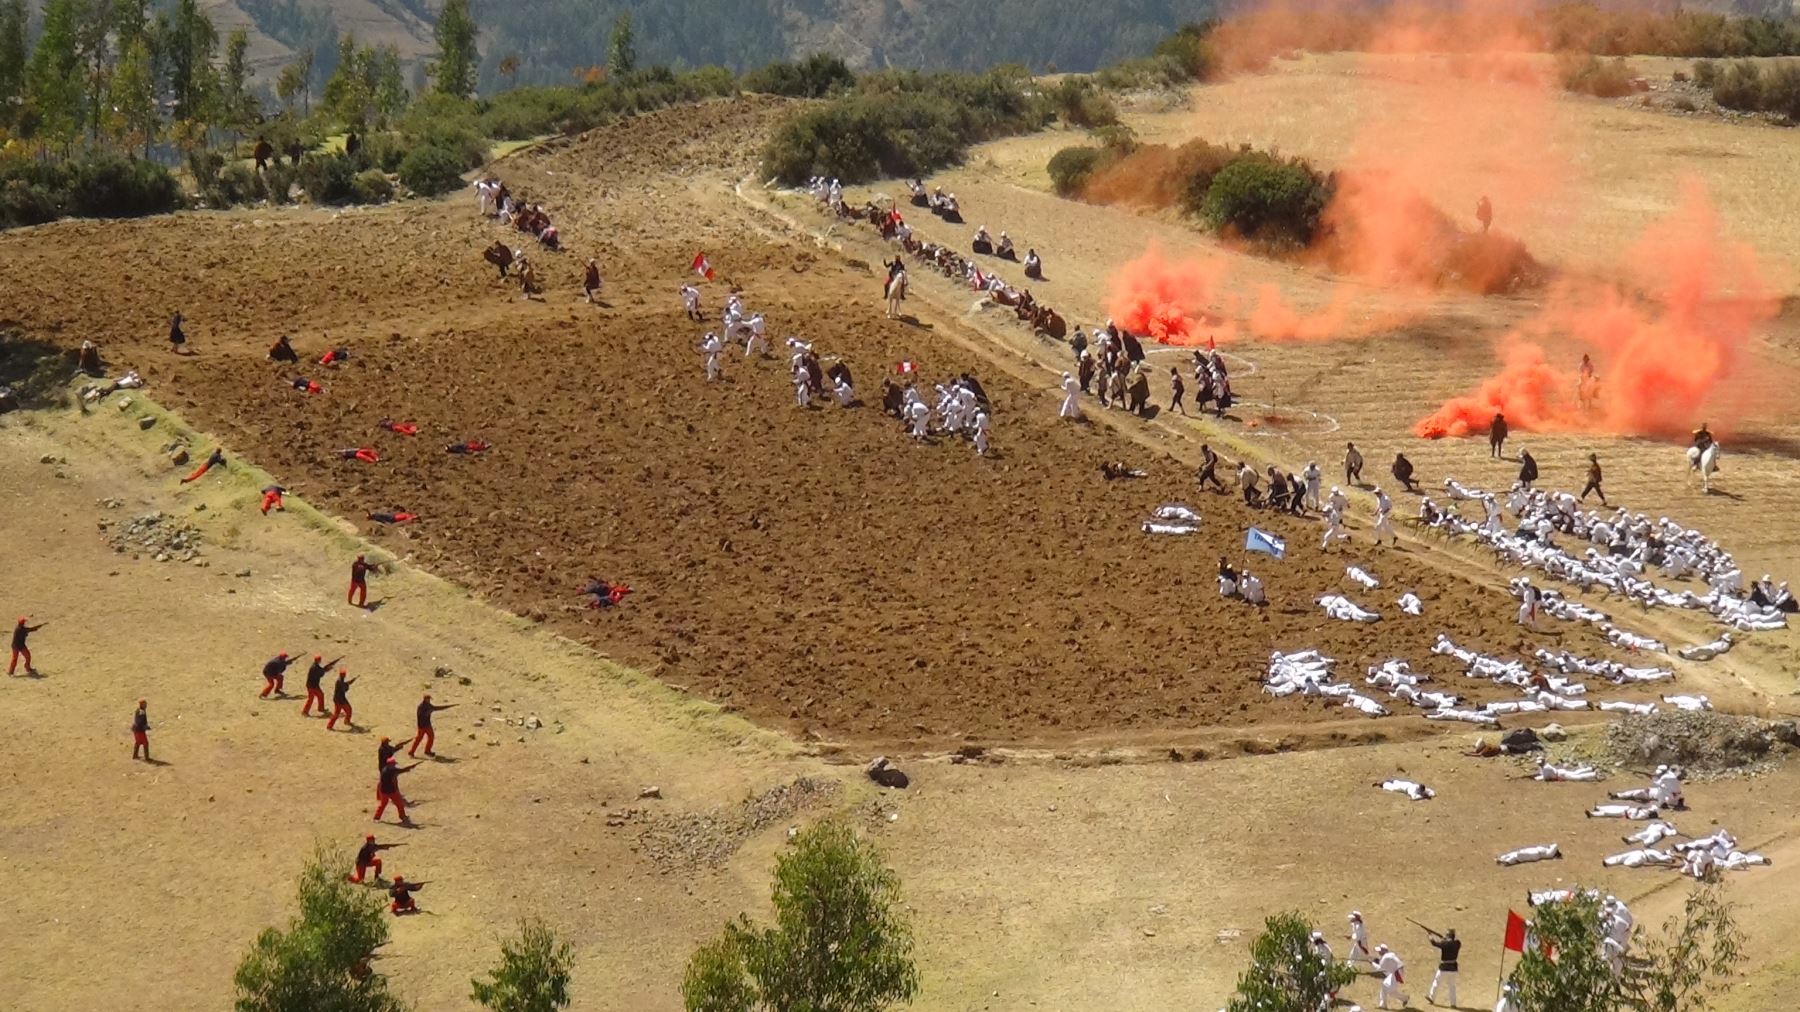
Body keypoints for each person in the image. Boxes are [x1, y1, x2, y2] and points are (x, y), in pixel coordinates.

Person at [374, 757, 419, 823]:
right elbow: (400, 771)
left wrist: (408, 768)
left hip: (387, 790)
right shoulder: (389, 771)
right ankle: (377, 818)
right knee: (386, 804)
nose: (394, 765)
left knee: (399, 804)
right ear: (389, 764)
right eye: (393, 764)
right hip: (388, 791)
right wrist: (408, 768)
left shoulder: (387, 769)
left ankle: (402, 817)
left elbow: (399, 771)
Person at [1426, 928, 1460, 1007]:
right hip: (1453, 968)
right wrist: (1445, 938)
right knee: (1452, 986)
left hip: (1444, 968)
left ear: (1448, 936)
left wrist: (1429, 935)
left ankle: (1431, 997)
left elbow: (1433, 943)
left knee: (1436, 982)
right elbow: (1451, 942)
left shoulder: (1444, 943)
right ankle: (1453, 1003)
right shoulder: (1457, 943)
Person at [1375, 943, 1409, 1009]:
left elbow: (1380, 968)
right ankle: (1383, 1004)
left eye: (1380, 951)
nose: (1378, 952)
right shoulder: (1390, 954)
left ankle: (1404, 998)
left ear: (1383, 951)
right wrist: (1378, 961)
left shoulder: (1385, 958)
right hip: (1397, 972)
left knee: (1390, 991)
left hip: (1397, 974)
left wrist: (1372, 962)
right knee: (1384, 985)